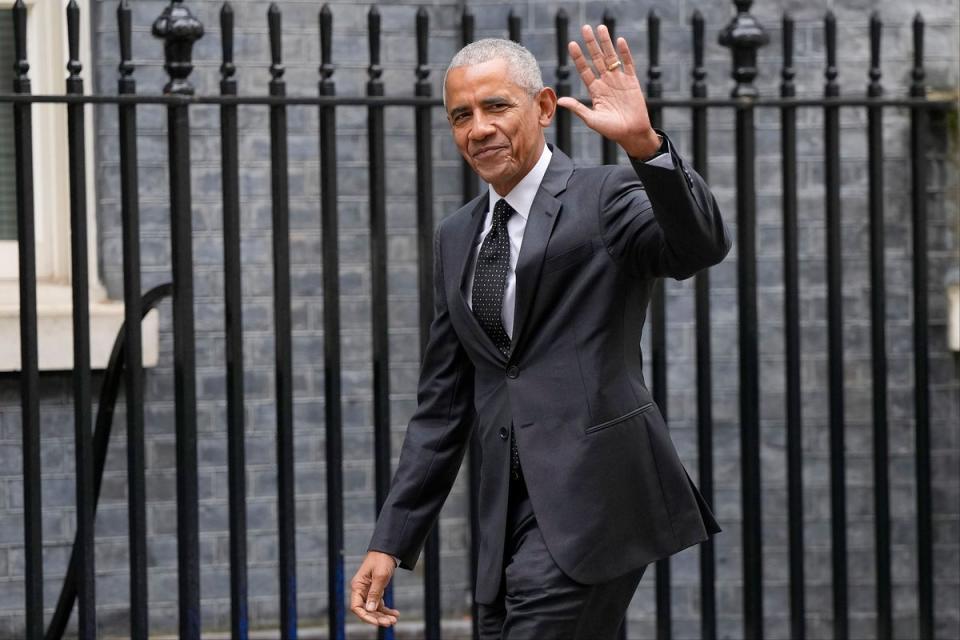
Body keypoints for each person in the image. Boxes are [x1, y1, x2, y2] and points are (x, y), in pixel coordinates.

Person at [349, 24, 730, 640]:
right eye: (461, 115)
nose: (479, 128)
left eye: (496, 106)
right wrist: (391, 541)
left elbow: (698, 246)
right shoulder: (456, 236)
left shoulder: (606, 196)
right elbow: (443, 406)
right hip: (507, 521)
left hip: (596, 501)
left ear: (544, 107)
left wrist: (646, 147)